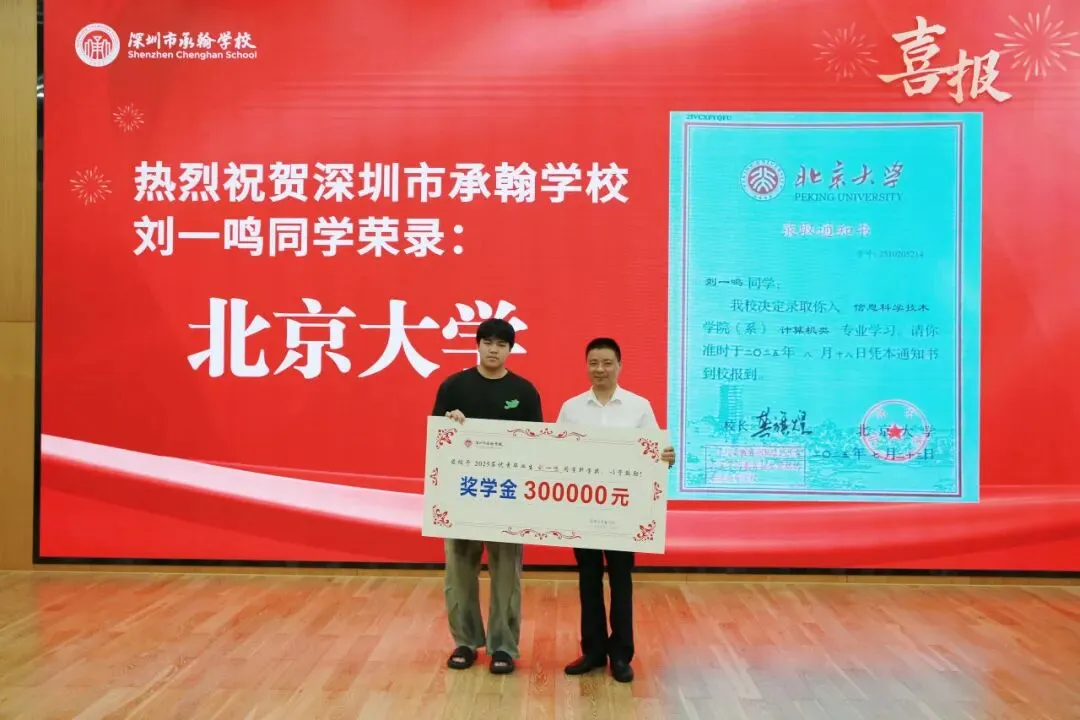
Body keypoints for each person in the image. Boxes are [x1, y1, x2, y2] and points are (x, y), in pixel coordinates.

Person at [557, 337, 675, 683]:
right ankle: (593, 651)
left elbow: (657, 453)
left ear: (620, 366)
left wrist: (666, 457)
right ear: (586, 366)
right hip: (584, 507)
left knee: (621, 581)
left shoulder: (638, 407)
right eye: (594, 362)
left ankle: (621, 654)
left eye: (607, 363)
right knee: (588, 579)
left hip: (625, 510)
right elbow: (554, 455)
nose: (600, 369)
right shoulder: (571, 408)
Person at [431, 317, 543, 675]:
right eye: (488, 342)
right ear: (477, 345)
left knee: (506, 575)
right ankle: (464, 642)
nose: (494, 350)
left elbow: (537, 446)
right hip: (462, 496)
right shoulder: (453, 386)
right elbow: (438, 441)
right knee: (459, 572)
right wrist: (450, 424)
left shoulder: (524, 392)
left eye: (501, 344)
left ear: (511, 350)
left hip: (507, 498)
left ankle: (503, 646)